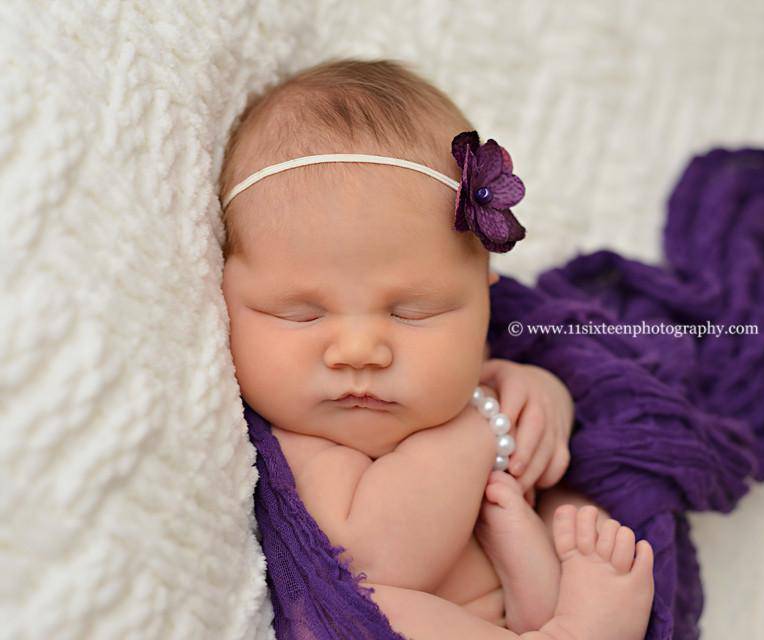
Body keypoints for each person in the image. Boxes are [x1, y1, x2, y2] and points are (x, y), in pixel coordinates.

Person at [219, 57, 654, 640]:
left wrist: (543, 396)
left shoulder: (477, 385)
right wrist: (480, 426)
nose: (359, 350)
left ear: (484, 305)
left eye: (413, 312)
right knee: (370, 602)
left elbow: (542, 454)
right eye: (301, 314)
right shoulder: (300, 446)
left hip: (508, 604)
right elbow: (376, 558)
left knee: (579, 518)